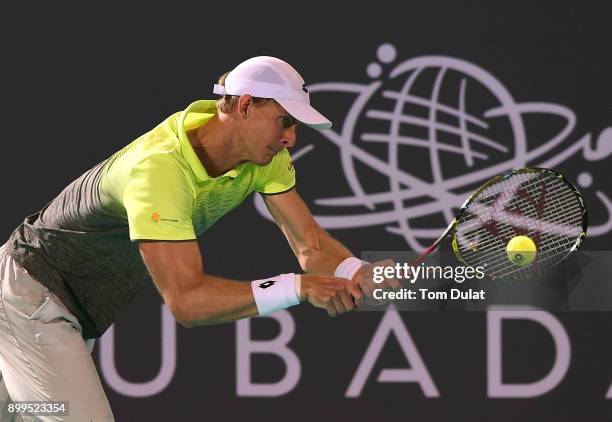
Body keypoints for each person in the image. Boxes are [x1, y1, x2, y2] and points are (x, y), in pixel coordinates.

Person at [0, 56, 396, 421]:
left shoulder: (264, 158)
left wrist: (356, 270)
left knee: (31, 409)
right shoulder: (160, 171)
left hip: (58, 306)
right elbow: (187, 302)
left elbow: (309, 245)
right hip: (31, 299)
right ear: (244, 106)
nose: (291, 138)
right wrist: (299, 287)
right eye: (285, 121)